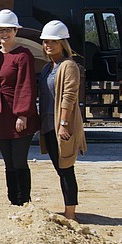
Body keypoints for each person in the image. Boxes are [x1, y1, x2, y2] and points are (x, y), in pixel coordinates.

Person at [0, 9, 39, 205]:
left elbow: (26, 85)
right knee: (8, 162)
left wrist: (23, 114)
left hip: (18, 115)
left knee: (19, 161)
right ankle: (13, 201)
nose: (4, 34)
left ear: (16, 31)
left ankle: (23, 200)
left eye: (8, 30)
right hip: (1, 115)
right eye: (0, 30)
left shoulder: (23, 55)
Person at [38, 20, 87, 220]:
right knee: (60, 169)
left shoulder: (69, 66)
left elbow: (69, 95)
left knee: (66, 168)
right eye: (46, 42)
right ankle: (68, 209)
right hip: (49, 125)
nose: (49, 45)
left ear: (63, 44)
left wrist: (64, 124)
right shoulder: (47, 68)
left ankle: (71, 213)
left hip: (62, 125)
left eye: (53, 42)